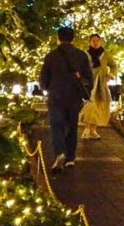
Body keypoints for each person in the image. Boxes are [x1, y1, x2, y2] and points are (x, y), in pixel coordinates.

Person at [39, 26, 93, 173]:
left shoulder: (51, 56)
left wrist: (46, 88)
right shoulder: (81, 55)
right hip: (74, 96)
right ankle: (70, 158)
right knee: (72, 125)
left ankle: (59, 153)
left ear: (58, 38)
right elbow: (89, 77)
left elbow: (43, 79)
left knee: (56, 125)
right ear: (72, 38)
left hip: (56, 95)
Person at [81, 34, 116, 140]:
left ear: (100, 41)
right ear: (90, 42)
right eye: (93, 40)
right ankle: (87, 129)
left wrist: (110, 76)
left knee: (100, 105)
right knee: (90, 105)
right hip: (89, 83)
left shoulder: (105, 54)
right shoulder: (86, 54)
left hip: (101, 83)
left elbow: (113, 65)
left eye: (97, 40)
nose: (95, 42)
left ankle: (93, 130)